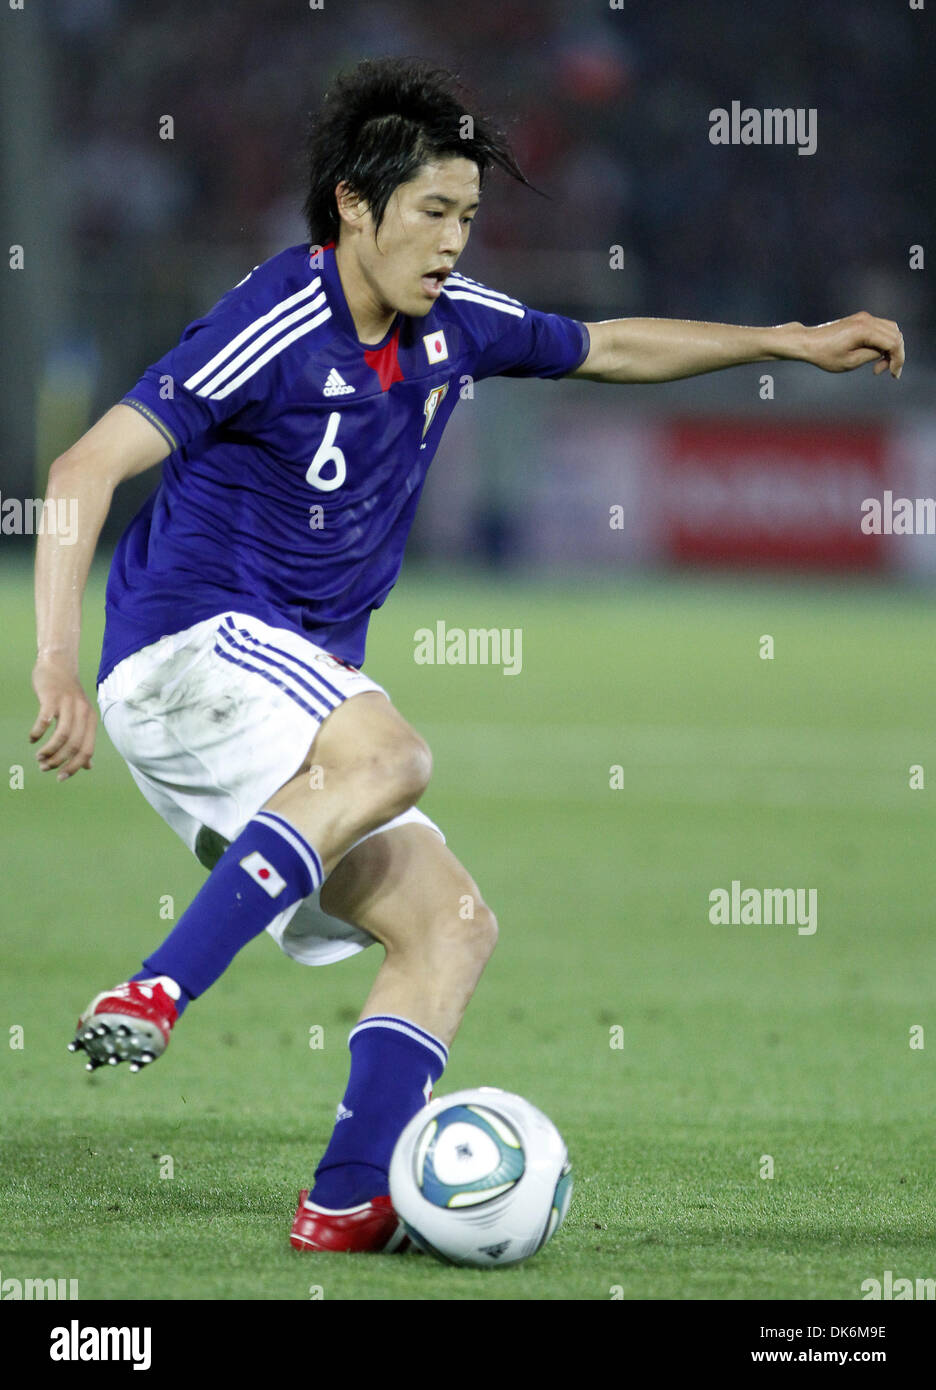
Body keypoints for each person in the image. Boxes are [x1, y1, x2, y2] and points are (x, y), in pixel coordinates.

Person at [30, 57, 904, 1254]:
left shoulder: (456, 330)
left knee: (450, 922)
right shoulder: (276, 317)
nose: (453, 241)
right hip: (191, 646)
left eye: (468, 218)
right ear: (352, 205)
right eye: (433, 213)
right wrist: (52, 663)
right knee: (392, 751)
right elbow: (82, 470)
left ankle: (345, 1202)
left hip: (275, 707)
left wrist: (788, 340)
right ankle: (161, 982)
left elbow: (606, 345)